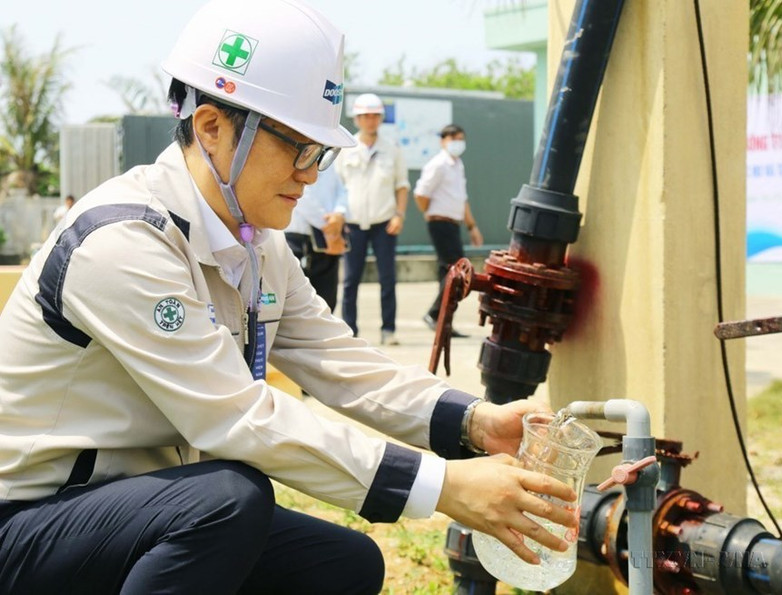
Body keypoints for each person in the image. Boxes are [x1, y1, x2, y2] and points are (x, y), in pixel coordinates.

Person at [0, 2, 577, 593]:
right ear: (211, 128)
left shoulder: (255, 243)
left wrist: (476, 424)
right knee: (228, 500)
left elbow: (340, 361)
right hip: (29, 522)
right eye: (298, 148)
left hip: (138, 513)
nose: (310, 173)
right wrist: (448, 488)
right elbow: (236, 416)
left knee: (345, 564)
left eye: (320, 154)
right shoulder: (120, 242)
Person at [335, 93, 409, 346]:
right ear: (357, 118)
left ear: (380, 118)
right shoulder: (346, 148)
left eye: (375, 115)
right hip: (352, 223)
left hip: (384, 223)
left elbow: (402, 185)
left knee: (388, 278)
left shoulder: (393, 148)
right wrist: (339, 217)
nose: (370, 120)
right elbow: (337, 186)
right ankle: (349, 330)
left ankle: (389, 330)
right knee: (350, 280)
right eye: (365, 116)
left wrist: (399, 215)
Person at [415, 124, 484, 336]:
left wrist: (472, 226)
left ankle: (444, 322)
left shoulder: (458, 165)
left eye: (460, 138)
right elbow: (421, 194)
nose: (457, 142)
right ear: (443, 140)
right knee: (456, 270)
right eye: (453, 138)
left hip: (454, 223)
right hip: (440, 222)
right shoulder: (438, 164)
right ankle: (435, 314)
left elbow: (462, 199)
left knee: (446, 273)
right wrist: (430, 213)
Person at [284, 162, 348, 312]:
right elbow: (302, 197)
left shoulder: (330, 157)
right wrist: (329, 227)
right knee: (298, 301)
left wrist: (339, 214)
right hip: (300, 236)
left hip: (329, 238)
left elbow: (341, 190)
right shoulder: (300, 153)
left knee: (327, 299)